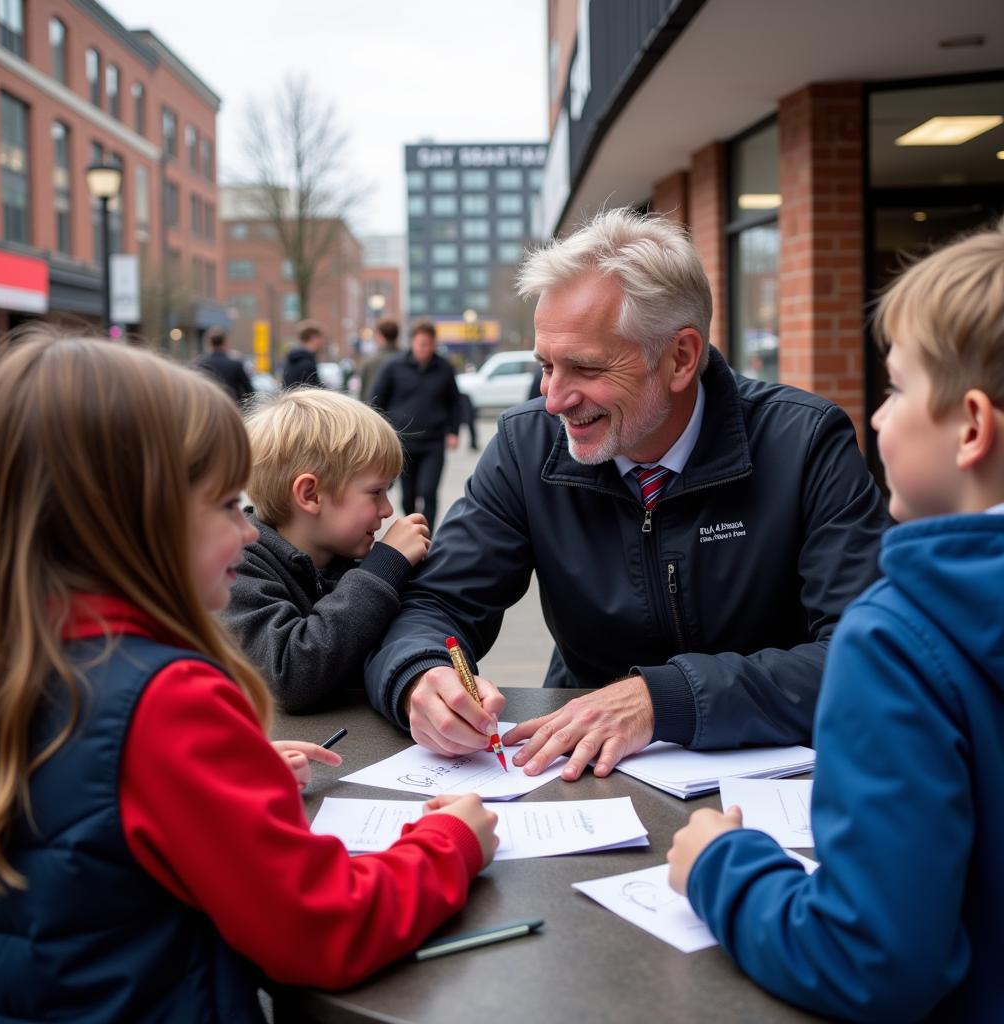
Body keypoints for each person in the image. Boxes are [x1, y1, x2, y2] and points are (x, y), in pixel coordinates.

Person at [0, 334, 496, 1020]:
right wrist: (449, 845)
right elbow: (321, 926)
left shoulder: (16, 655)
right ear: (136, 516)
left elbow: (87, 822)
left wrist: (230, 782)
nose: (250, 532)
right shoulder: (166, 701)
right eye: (226, 505)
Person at [364, 208, 887, 780]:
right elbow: (437, 604)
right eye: (545, 365)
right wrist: (420, 674)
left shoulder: (804, 444)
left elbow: (865, 656)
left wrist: (662, 700)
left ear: (680, 358)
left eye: (585, 367)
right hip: (578, 773)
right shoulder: (526, 444)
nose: (555, 399)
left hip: (767, 778)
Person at [666, 224, 1004, 1021]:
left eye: (894, 390)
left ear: (970, 427)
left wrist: (722, 866)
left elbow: (871, 957)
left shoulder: (897, 641)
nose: (878, 420)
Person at [222, 388, 431, 713]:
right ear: (310, 494)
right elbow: (288, 676)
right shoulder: (237, 567)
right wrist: (382, 570)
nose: (388, 510)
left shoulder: (347, 559)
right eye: (375, 492)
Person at [369, 320, 461, 525]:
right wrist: (381, 432)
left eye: (429, 344)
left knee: (428, 491)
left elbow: (454, 402)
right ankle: (412, 529)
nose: (425, 349)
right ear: (412, 342)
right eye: (421, 344)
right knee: (408, 495)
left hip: (434, 441)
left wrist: (454, 432)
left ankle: (426, 535)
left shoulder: (444, 367)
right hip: (403, 442)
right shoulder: (393, 366)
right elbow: (376, 399)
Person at [196, 326, 253, 404]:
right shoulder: (235, 364)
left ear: (209, 342)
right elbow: (249, 391)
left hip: (208, 408)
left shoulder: (200, 364)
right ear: (225, 342)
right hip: (231, 408)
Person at [359, 317, 400, 401]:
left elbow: (364, 394)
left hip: (375, 411)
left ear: (380, 336)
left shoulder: (369, 362)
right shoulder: (408, 360)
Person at [282, 319, 326, 388]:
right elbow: (315, 388)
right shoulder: (306, 362)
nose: (323, 341)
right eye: (321, 337)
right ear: (314, 338)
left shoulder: (294, 358)